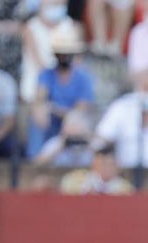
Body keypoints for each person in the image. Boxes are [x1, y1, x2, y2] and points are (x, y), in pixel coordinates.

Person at [26, 20, 94, 158]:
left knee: (75, 120)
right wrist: (42, 109)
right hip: (52, 121)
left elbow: (82, 108)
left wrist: (59, 111)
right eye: (61, 53)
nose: (64, 57)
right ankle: (35, 160)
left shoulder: (83, 76)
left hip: (74, 120)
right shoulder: (47, 74)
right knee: (38, 116)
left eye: (67, 53)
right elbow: (40, 98)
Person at [59, 141, 134, 192]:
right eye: (103, 164)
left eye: (111, 165)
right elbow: (65, 187)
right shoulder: (78, 179)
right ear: (94, 164)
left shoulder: (125, 188)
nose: (107, 169)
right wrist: (84, 189)